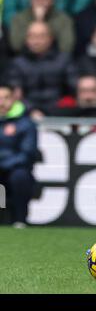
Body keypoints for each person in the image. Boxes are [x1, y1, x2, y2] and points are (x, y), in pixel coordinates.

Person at [0, 83, 37, 227]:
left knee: (20, 175)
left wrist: (3, 163)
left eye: (6, 98)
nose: (2, 102)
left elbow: (27, 153)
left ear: (13, 99)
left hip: (14, 169)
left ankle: (20, 220)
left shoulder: (26, 124)